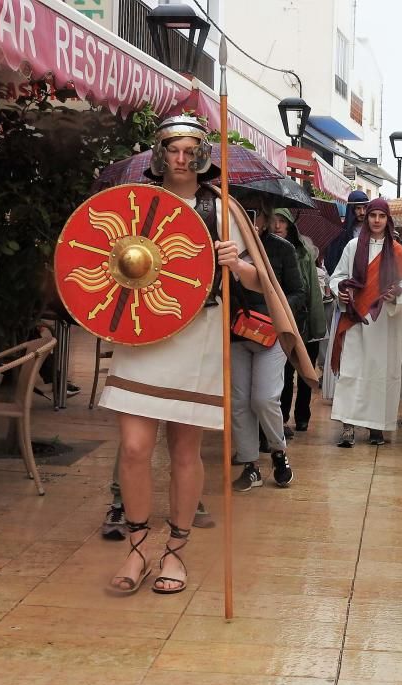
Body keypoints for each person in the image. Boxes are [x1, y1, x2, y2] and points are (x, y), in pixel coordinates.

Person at [99, 116, 314, 594]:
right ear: (160, 153)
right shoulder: (136, 201)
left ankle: (175, 553)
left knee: (183, 450)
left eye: (189, 149)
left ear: (202, 155)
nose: (181, 158)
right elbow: (104, 261)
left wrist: (234, 261)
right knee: (134, 448)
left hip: (198, 331)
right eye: (173, 149)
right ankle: (136, 549)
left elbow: (261, 281)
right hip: (143, 331)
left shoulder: (222, 208)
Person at [230, 208, 305, 492]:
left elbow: (299, 293)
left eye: (255, 214)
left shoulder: (281, 249)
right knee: (239, 403)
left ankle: (278, 451)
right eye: (243, 214)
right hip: (235, 334)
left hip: (270, 336)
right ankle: (250, 465)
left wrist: (275, 315)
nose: (251, 221)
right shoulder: (225, 248)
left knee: (263, 399)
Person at [329, 198, 402, 446]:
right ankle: (348, 426)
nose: (377, 220)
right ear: (366, 218)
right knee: (352, 371)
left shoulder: (397, 251)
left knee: (381, 373)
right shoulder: (353, 246)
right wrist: (341, 292)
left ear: (388, 220)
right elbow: (338, 277)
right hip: (356, 316)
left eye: (381, 216)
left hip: (385, 322)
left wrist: (396, 294)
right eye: (373, 215)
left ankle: (377, 427)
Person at [275, 209, 327, 436]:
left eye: (282, 221)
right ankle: (282, 418)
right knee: (284, 373)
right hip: (279, 319)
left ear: (289, 225)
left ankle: (303, 416)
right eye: (274, 221)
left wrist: (316, 325)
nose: (277, 226)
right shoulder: (266, 250)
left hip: (303, 319)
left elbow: (313, 292)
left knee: (305, 370)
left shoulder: (304, 253)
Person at [321, 190, 370, 400]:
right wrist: (341, 287)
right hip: (346, 299)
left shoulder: (378, 236)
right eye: (357, 208)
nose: (361, 212)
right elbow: (333, 267)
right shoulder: (341, 238)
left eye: (364, 208)